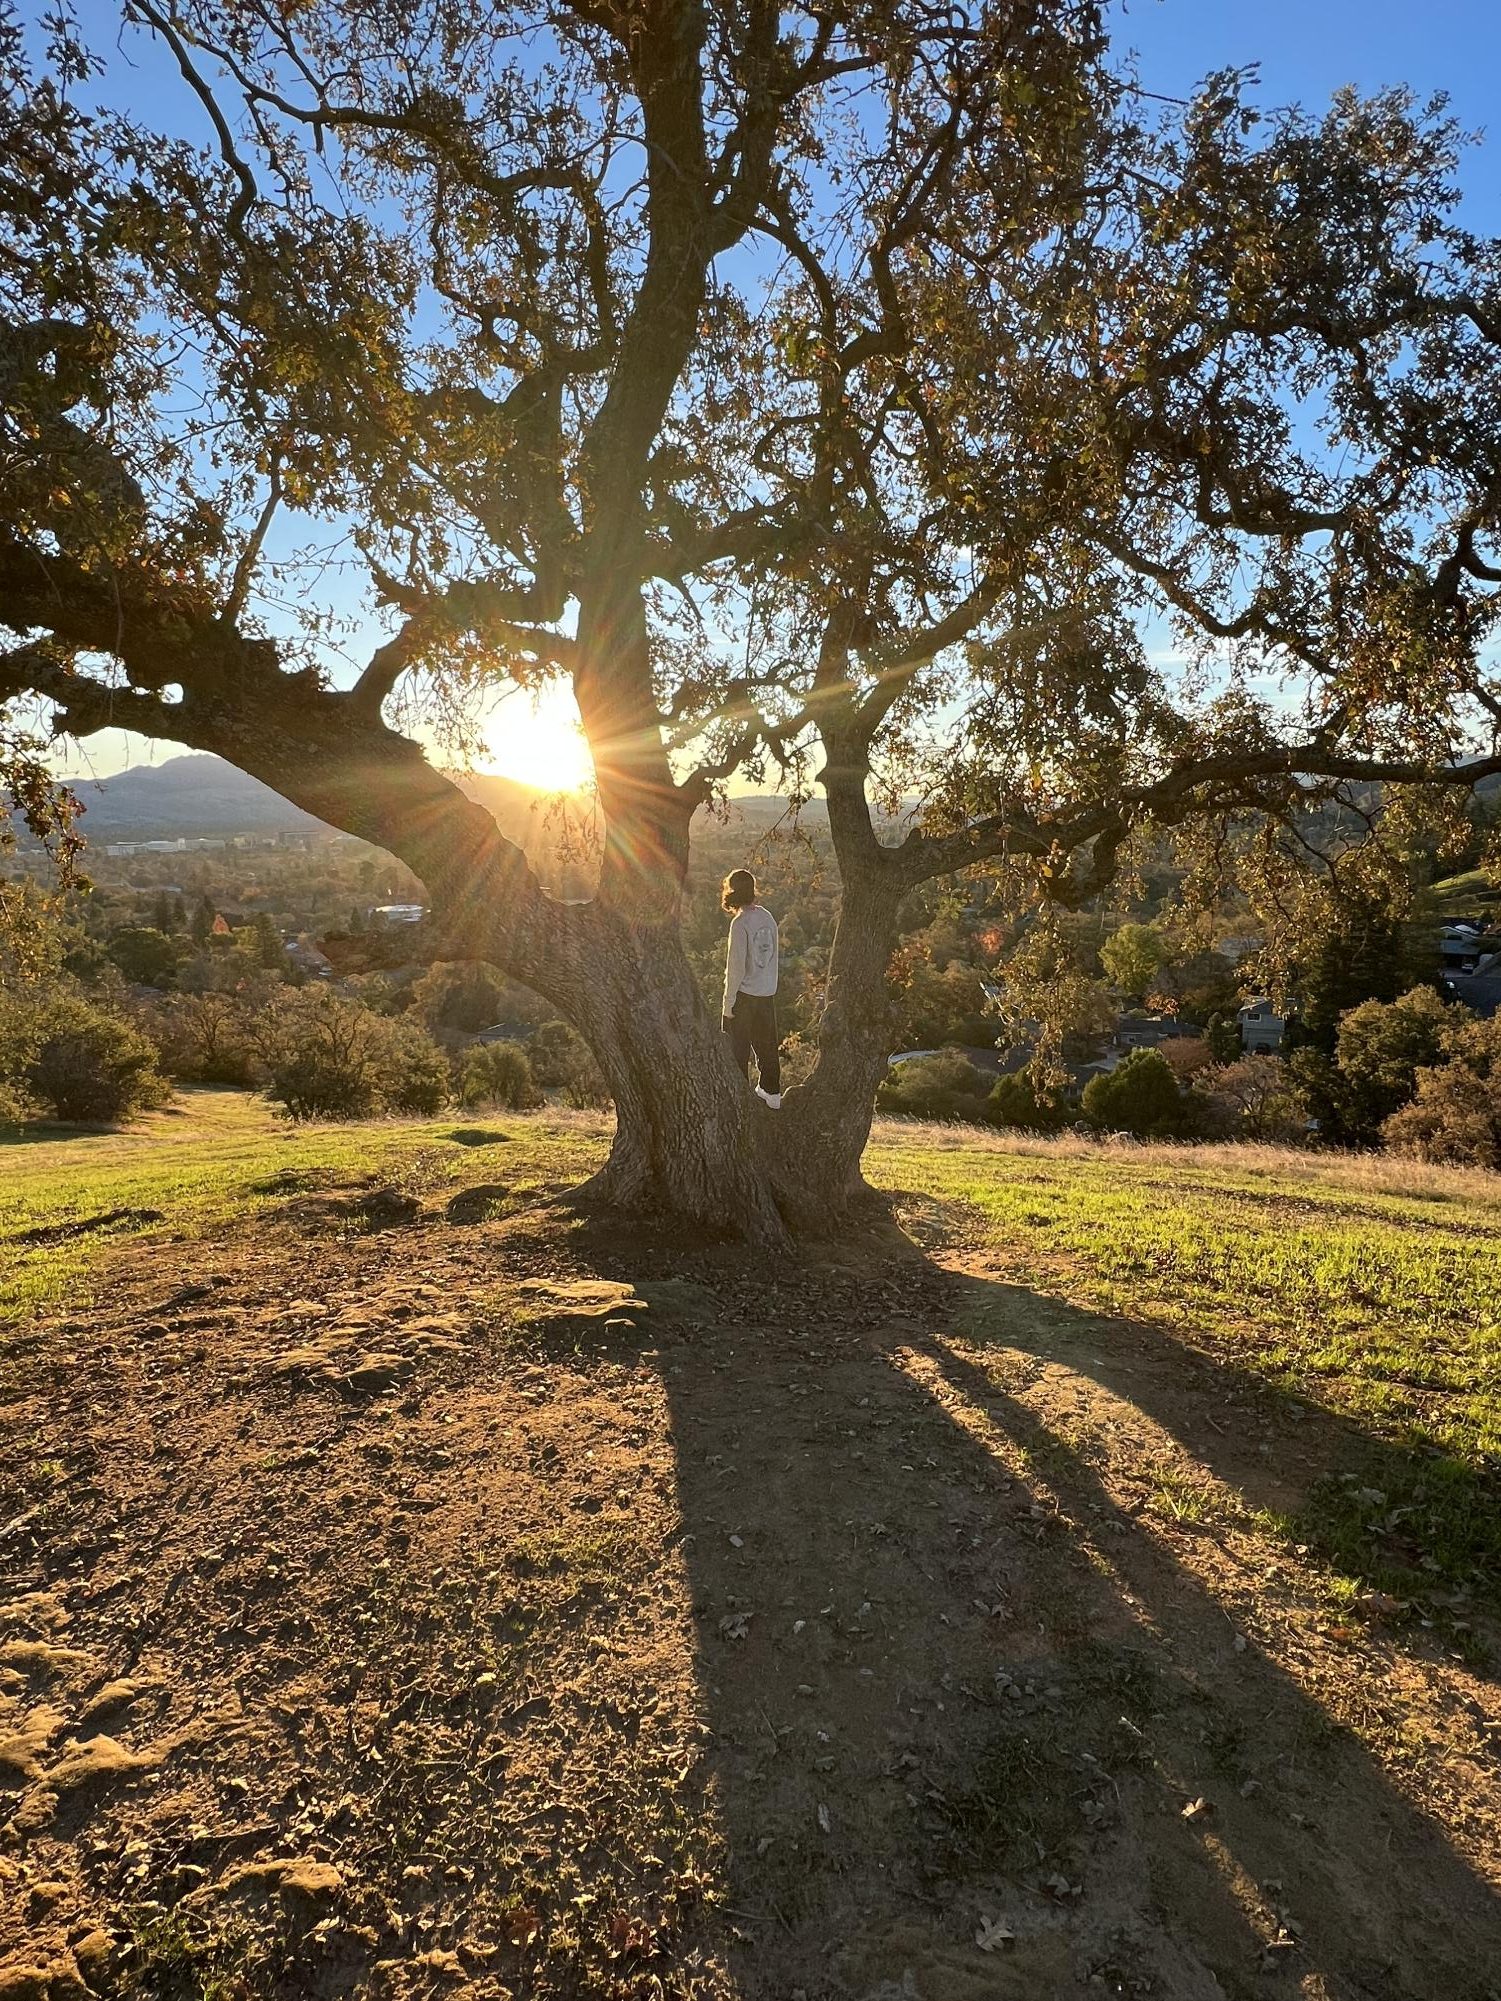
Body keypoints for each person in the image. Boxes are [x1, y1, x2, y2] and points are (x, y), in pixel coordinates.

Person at [721, 868, 781, 1108]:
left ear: (731, 890)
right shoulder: (767, 917)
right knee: (767, 1047)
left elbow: (735, 968)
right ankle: (772, 1093)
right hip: (766, 993)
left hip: (744, 996)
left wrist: (728, 1004)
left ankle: (739, 1099)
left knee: (736, 1051)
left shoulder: (740, 923)